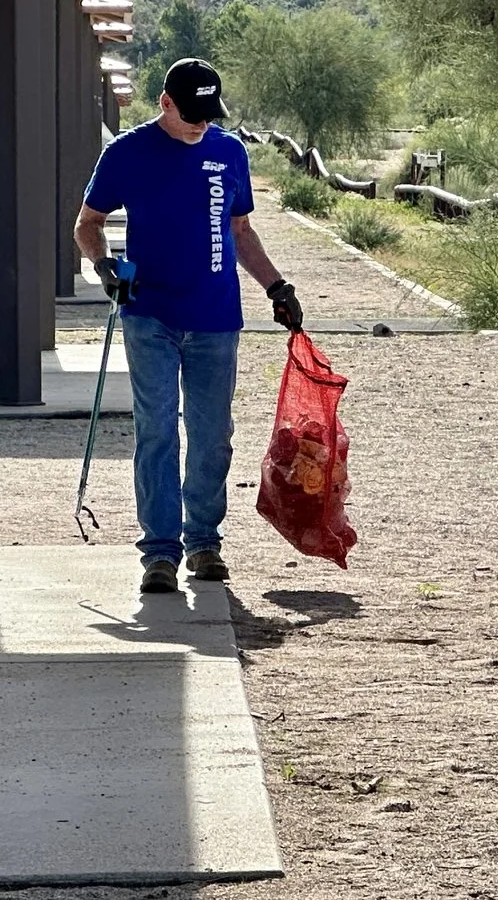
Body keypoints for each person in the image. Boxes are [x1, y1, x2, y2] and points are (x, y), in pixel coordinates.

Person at [74, 57, 303, 594]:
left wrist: (276, 286)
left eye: (210, 114)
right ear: (165, 103)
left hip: (215, 316)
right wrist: (104, 265)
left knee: (212, 435)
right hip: (148, 313)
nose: (202, 124)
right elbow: (88, 224)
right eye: (192, 113)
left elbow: (240, 231)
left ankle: (203, 542)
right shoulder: (126, 152)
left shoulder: (229, 152)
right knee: (156, 431)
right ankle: (159, 552)